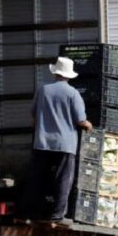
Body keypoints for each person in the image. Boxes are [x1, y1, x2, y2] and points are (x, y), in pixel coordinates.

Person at [28, 57, 93, 223]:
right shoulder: (73, 93)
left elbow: (33, 114)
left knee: (39, 178)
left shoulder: (43, 89)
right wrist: (88, 125)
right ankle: (57, 215)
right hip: (65, 144)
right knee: (63, 179)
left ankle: (34, 211)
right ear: (69, 76)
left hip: (42, 142)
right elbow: (80, 120)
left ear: (55, 72)